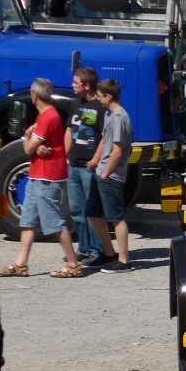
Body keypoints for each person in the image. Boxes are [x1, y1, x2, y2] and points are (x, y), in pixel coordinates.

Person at [0, 79, 83, 278]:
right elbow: (36, 140)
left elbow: (27, 147)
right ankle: (21, 264)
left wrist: (31, 140)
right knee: (28, 221)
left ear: (34, 95)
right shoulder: (46, 115)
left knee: (55, 222)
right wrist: (35, 142)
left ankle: (73, 264)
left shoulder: (47, 117)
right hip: (37, 174)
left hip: (47, 177)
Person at [86, 79, 134, 272]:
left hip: (111, 175)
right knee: (93, 213)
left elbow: (117, 150)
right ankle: (108, 253)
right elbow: (104, 140)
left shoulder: (120, 117)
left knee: (116, 217)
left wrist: (106, 173)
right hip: (101, 172)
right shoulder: (108, 114)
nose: (97, 99)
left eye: (99, 96)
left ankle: (124, 261)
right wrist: (95, 162)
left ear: (108, 96)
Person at [64, 67, 105, 264]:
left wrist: (95, 161)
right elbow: (69, 130)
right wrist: (65, 156)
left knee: (92, 212)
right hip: (73, 165)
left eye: (75, 83)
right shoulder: (75, 103)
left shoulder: (100, 106)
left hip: (89, 167)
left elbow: (105, 137)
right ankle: (83, 248)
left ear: (86, 85)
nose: (72, 86)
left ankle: (97, 251)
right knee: (76, 211)